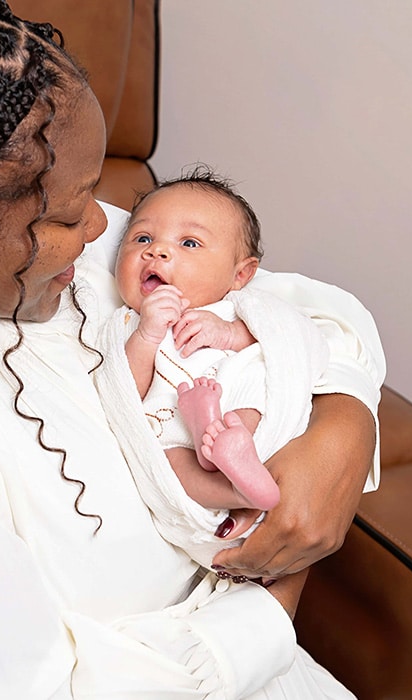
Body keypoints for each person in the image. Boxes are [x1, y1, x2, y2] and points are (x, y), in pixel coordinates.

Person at [0, 1, 384, 698]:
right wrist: (274, 600)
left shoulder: (38, 245)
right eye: (71, 213)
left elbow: (306, 309)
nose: (102, 231)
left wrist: (344, 423)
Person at [95, 171, 331, 565]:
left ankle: (231, 445)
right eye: (142, 239)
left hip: (235, 401)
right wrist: (147, 336)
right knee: (171, 464)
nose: (157, 252)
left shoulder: (238, 309)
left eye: (189, 243)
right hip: (175, 428)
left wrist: (231, 333)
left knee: (250, 392)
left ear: (240, 275)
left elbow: (292, 342)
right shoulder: (123, 324)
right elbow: (122, 390)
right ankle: (238, 489)